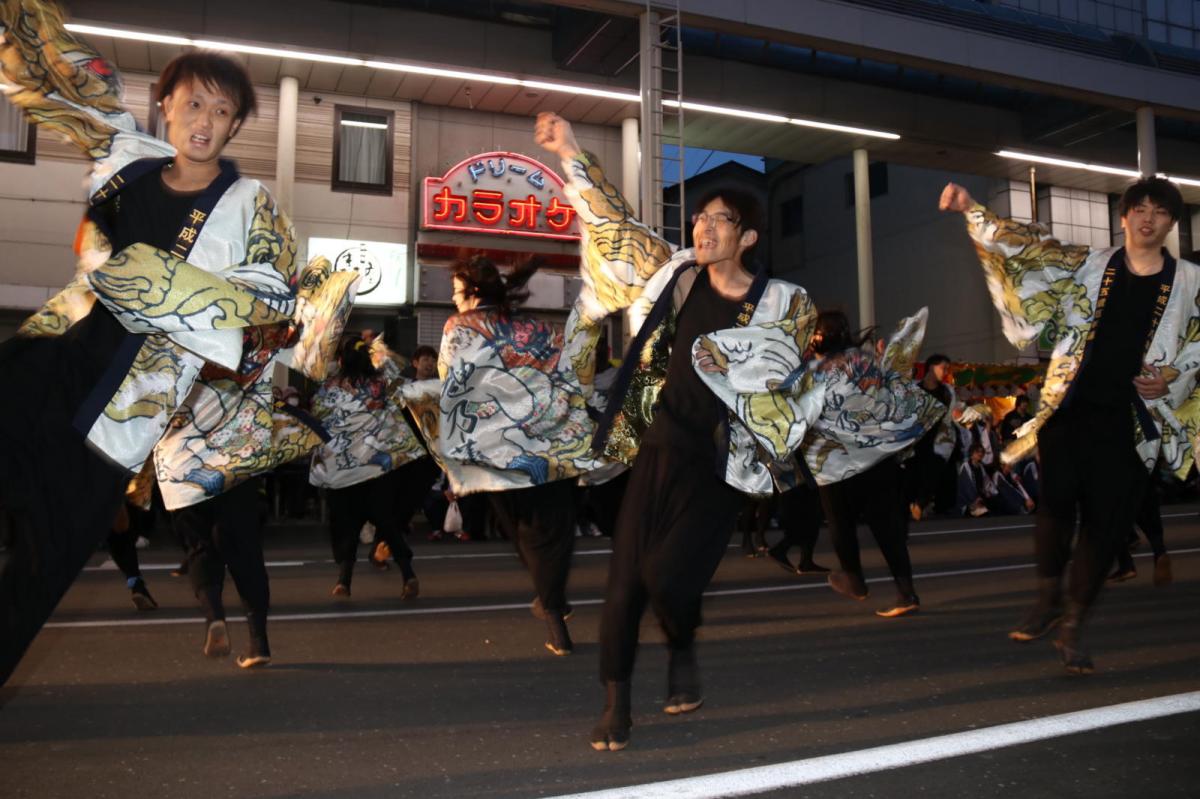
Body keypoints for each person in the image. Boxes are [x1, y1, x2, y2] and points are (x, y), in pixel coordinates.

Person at [0, 5, 301, 685]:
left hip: (120, 421)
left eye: (223, 112)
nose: (205, 121)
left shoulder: (252, 207)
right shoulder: (126, 157)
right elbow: (58, 77)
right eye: (193, 102)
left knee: (36, 578)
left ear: (234, 126)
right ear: (165, 103)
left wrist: (146, 277)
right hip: (48, 364)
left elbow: (270, 307)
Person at [537, 112, 827, 752]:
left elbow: (784, 367)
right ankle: (617, 702)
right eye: (699, 217)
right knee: (623, 582)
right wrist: (571, 150)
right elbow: (617, 227)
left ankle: (683, 645)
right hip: (657, 445)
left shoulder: (783, 301)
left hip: (720, 462)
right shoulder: (676, 275)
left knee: (668, 576)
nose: (702, 225)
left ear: (746, 236)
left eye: (718, 219)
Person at [940, 176, 1200, 675]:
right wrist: (972, 209)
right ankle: (1047, 598)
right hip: (1071, 406)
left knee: (1104, 530)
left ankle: (1073, 624)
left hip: (1133, 423)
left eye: (1160, 212)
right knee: (1055, 506)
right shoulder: (1089, 265)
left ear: (1171, 222)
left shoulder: (1190, 282)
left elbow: (1196, 344)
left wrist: (1170, 378)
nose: (1148, 218)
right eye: (1139, 209)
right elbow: (1028, 250)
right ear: (1123, 216)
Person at [402, 252, 609, 658]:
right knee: (551, 530)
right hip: (550, 441)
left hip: (498, 451)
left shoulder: (459, 326)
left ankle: (552, 608)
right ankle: (554, 604)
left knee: (520, 530)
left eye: (457, 290)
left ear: (472, 291)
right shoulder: (536, 328)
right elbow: (565, 375)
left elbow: (450, 377)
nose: (453, 298)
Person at [795, 310, 946, 618]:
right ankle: (907, 593)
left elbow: (799, 413)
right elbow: (895, 391)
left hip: (836, 462)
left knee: (840, 522)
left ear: (818, 338)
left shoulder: (813, 371)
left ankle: (855, 579)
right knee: (887, 527)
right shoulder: (867, 362)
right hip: (878, 457)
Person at [309, 334, 428, 600]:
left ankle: (344, 581)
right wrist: (377, 348)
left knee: (346, 524)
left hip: (341, 468)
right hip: (377, 467)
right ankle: (408, 574)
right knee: (386, 521)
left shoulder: (329, 388)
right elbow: (401, 371)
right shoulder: (381, 384)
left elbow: (317, 413)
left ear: (340, 359)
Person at [905, 354, 957, 520]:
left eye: (947, 369)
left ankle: (921, 504)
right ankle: (914, 505)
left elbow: (948, 419)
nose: (945, 372)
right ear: (930, 367)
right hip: (917, 440)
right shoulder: (915, 389)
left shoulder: (947, 391)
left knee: (934, 471)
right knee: (914, 474)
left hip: (938, 438)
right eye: (943, 368)